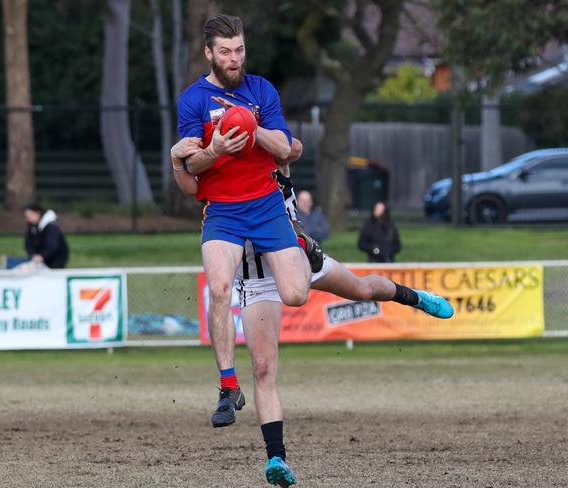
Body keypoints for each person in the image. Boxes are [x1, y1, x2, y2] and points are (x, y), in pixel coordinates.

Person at [171, 136, 453, 487]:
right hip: (259, 282)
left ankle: (415, 298)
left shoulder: (270, 164)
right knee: (262, 369)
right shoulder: (218, 194)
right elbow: (187, 183)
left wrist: (257, 128)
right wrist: (180, 158)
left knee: (363, 289)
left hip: (300, 261)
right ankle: (276, 459)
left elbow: (293, 146)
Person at [176, 13, 318, 446]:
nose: (234, 59)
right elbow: (190, 166)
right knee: (219, 287)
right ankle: (228, 386)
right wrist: (215, 147)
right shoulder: (193, 100)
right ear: (208, 54)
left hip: (266, 203)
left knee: (295, 294)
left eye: (239, 50)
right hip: (222, 210)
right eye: (225, 52)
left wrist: (252, 127)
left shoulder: (262, 90)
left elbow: (286, 151)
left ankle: (303, 250)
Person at [24, 203, 69, 269]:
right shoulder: (32, 228)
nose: (28, 219)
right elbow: (28, 244)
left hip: (56, 260)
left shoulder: (51, 227)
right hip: (40, 261)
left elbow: (52, 245)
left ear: (37, 213)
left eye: (30, 216)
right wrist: (32, 255)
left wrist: (42, 256)